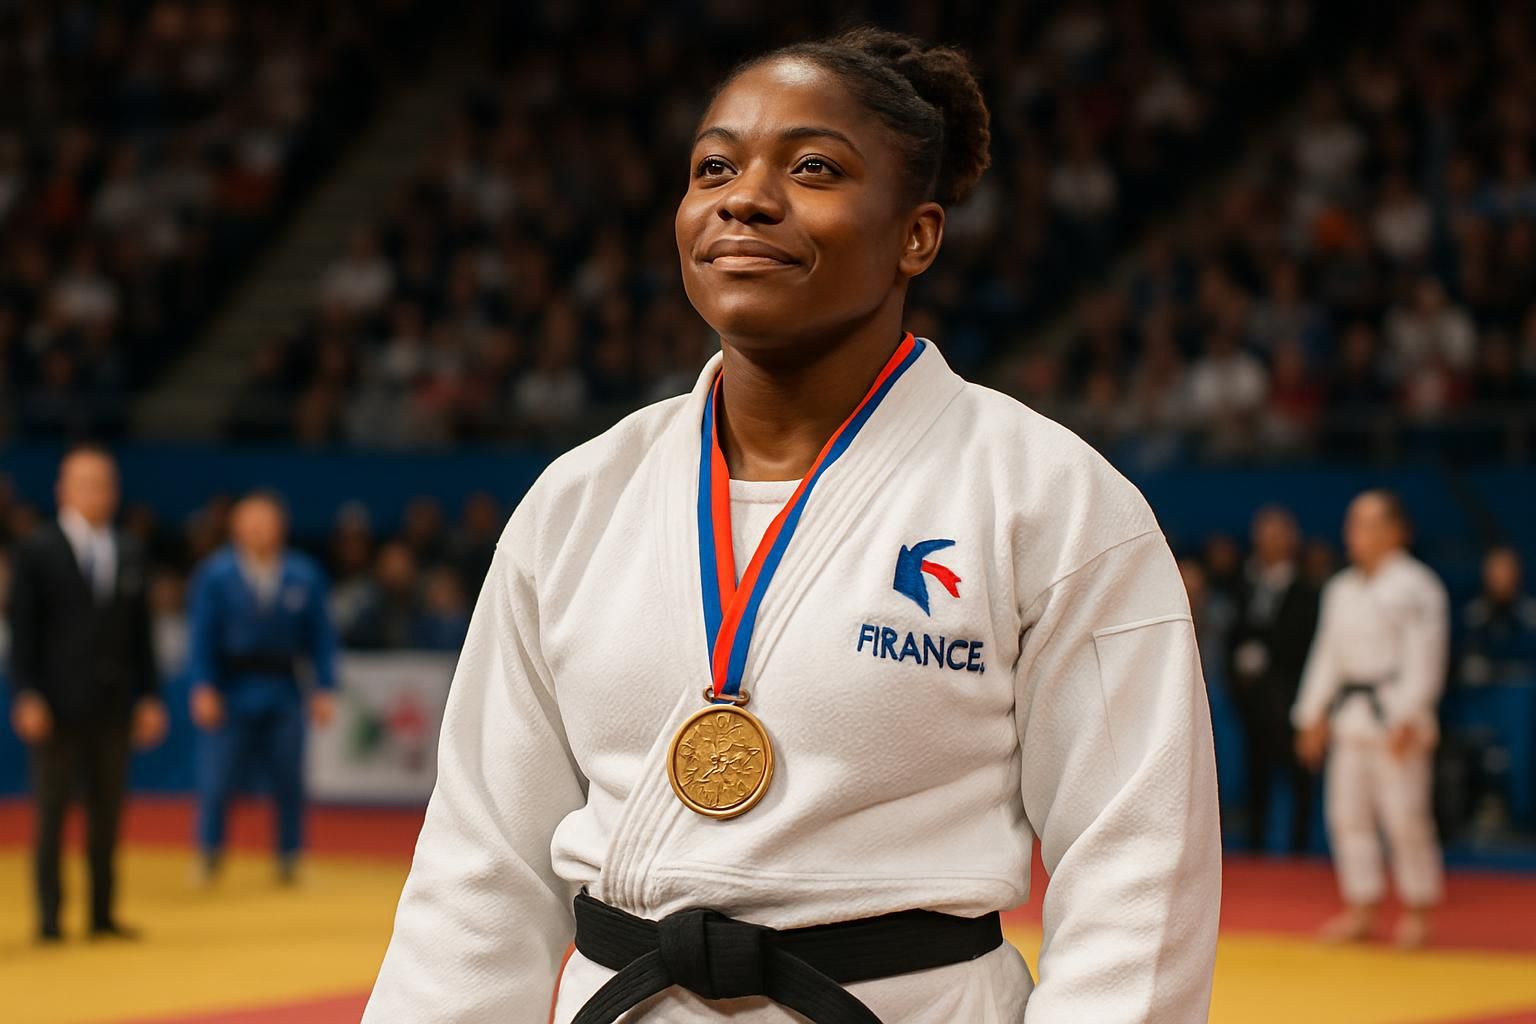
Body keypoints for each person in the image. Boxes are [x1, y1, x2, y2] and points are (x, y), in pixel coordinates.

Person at [365, 28, 1220, 1023]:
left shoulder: (1051, 499)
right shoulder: (579, 499)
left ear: (918, 235)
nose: (746, 196)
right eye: (714, 167)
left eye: (813, 168)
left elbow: (1137, 872)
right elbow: (481, 866)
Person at [6, 445, 167, 942]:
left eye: (104, 483)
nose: (97, 492)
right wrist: (26, 693)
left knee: (107, 813)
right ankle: (50, 917)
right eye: (85, 482)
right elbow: (22, 631)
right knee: (51, 815)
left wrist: (150, 696)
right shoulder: (36, 548)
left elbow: (142, 634)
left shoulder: (130, 549)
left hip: (114, 705)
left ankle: (102, 914)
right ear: (62, 489)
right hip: (55, 704)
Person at [1293, 490, 1448, 948]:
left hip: (1396, 713)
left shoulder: (1418, 586)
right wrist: (1311, 715)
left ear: (1396, 531)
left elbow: (1428, 660)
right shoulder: (1342, 589)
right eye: (1353, 523)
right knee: (1347, 817)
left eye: (1368, 523)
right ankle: (1362, 905)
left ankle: (1419, 908)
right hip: (1352, 717)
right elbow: (1327, 657)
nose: (1355, 533)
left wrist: (1412, 714)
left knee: (1406, 818)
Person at [186, 492, 338, 884]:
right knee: (217, 778)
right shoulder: (215, 574)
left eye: (265, 521)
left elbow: (321, 637)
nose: (257, 529)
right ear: (235, 527)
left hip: (284, 688)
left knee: (289, 777)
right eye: (249, 521)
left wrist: (324, 687)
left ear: (281, 526)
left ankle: (289, 856)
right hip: (231, 688)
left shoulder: (304, 574)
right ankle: (209, 853)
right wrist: (203, 685)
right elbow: (201, 635)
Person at [1228, 506, 1320, 853]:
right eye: (1263, 535)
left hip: (1292, 701)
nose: (1269, 542)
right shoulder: (1243, 584)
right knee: (1256, 779)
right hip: (1252, 704)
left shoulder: (1308, 591)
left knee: (1299, 782)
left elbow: (1308, 645)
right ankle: (1255, 852)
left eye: (1277, 534)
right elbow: (1231, 639)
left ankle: (1299, 853)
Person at [1457, 546, 1536, 686]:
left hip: (1525, 694)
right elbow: (1468, 665)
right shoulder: (1472, 615)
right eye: (1495, 571)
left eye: (1506, 571)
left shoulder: (1530, 614)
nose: (1501, 578)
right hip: (1481, 695)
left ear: (1517, 574)